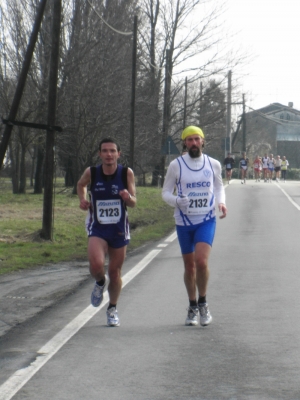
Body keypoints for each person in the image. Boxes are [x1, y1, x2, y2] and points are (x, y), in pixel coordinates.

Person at [162, 126, 227, 327]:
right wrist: (176, 202)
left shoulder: (213, 164)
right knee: (189, 266)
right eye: (189, 140)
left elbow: (218, 186)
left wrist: (221, 202)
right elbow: (165, 192)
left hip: (206, 219)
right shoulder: (176, 165)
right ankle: (192, 305)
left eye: (196, 139)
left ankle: (203, 302)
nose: (193, 143)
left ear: (203, 141)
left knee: (201, 262)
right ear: (184, 143)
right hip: (184, 222)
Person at [77, 138, 136, 327]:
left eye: (112, 151)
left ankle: (112, 308)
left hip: (118, 229)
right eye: (105, 151)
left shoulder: (126, 173)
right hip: (98, 228)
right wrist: (83, 199)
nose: (109, 154)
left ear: (119, 154)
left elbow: (134, 202)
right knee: (96, 265)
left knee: (115, 272)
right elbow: (80, 185)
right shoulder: (92, 172)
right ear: (99, 154)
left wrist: (128, 197)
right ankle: (100, 282)